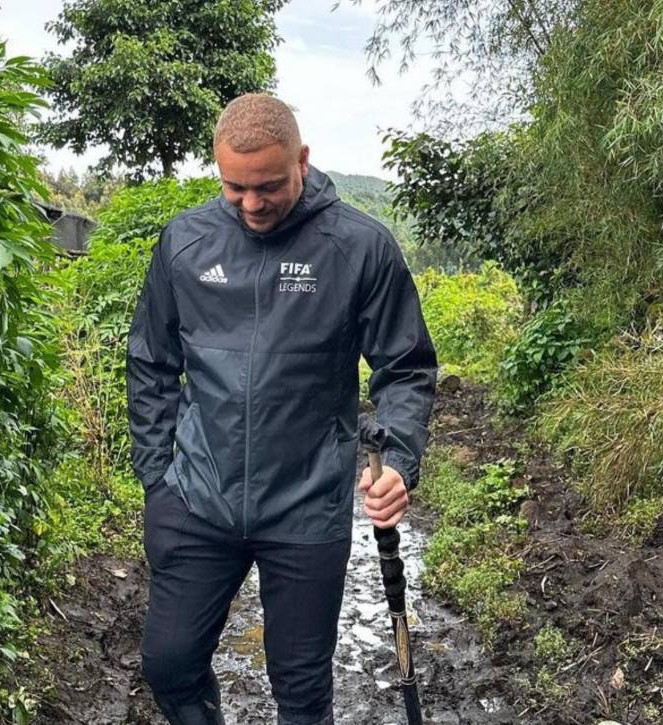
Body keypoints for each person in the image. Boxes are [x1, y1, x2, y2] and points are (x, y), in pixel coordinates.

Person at [126, 93, 437, 725]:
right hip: (197, 500)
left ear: (302, 160)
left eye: (267, 186)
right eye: (234, 188)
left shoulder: (359, 248)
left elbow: (406, 367)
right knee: (170, 665)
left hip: (306, 506)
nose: (251, 204)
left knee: (300, 691)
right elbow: (151, 362)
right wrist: (158, 478)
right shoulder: (185, 243)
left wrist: (399, 460)